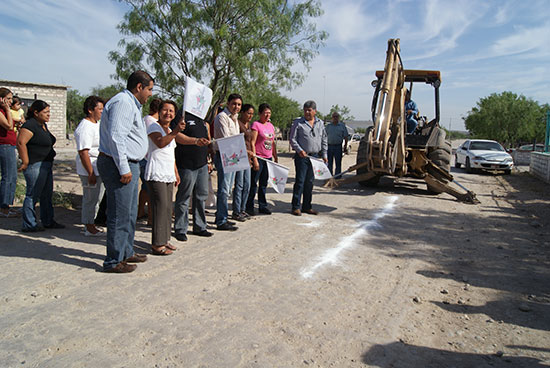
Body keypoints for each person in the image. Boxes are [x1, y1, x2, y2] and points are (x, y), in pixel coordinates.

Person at [97, 70, 154, 273]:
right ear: (139, 87)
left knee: (129, 213)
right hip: (119, 164)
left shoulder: (131, 104)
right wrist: (123, 168)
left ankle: (126, 251)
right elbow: (116, 138)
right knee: (119, 214)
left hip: (130, 164)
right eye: (149, 90)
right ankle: (113, 261)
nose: (150, 94)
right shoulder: (123, 102)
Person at [17, 100, 65, 231]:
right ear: (36, 112)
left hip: (46, 163)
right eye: (45, 112)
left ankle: (48, 220)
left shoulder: (42, 125)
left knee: (46, 195)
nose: (48, 115)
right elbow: (21, 143)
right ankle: (29, 224)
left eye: (49, 112)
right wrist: (25, 161)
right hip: (35, 165)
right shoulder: (30, 126)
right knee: (33, 194)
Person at [144, 100, 185, 255]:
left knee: (168, 208)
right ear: (159, 111)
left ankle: (165, 239)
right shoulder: (154, 126)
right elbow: (160, 143)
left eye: (171, 111)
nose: (168, 113)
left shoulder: (168, 129)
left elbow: (171, 152)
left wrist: (196, 141)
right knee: (160, 207)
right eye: (165, 110)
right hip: (156, 172)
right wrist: (174, 132)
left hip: (167, 173)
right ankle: (157, 244)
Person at [172, 109, 212, 241]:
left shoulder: (201, 117)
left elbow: (207, 138)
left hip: (202, 164)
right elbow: (176, 136)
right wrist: (195, 141)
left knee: (201, 196)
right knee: (184, 197)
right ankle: (180, 229)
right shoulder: (181, 115)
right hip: (186, 164)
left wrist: (208, 159)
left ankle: (200, 226)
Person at [289, 100, 327, 216]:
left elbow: (324, 139)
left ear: (315, 111)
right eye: (305, 110)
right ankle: (296, 207)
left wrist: (324, 155)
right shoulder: (298, 123)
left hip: (314, 157)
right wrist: (299, 150)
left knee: (309, 182)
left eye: (309, 110)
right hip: (302, 157)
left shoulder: (320, 123)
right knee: (300, 181)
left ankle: (307, 206)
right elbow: (292, 139)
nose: (307, 112)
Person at [74, 96, 105, 236]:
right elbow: (83, 152)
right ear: (90, 110)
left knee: (97, 197)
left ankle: (92, 222)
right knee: (90, 198)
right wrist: (90, 173)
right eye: (99, 109)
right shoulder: (85, 127)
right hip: (89, 168)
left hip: (98, 167)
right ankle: (88, 225)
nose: (102, 112)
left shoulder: (97, 124)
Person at [213, 93, 242, 231]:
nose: (236, 107)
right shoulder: (221, 117)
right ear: (228, 104)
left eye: (239, 105)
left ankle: (222, 215)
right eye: (234, 104)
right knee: (223, 189)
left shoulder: (235, 119)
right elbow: (227, 138)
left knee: (228, 188)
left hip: (233, 155)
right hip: (224, 155)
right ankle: (221, 220)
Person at [246, 103, 277, 216]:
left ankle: (262, 205)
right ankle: (249, 206)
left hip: (268, 158)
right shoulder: (256, 125)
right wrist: (254, 159)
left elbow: (272, 142)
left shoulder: (271, 126)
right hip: (258, 157)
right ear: (260, 114)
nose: (267, 115)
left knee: (263, 183)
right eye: (265, 113)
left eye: (269, 113)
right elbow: (252, 142)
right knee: (253, 183)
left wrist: (275, 156)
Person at [138, 98, 162, 223]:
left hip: (144, 157)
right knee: (152, 189)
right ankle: (151, 217)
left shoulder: (145, 119)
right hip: (148, 158)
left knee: (146, 188)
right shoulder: (152, 122)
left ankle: (141, 211)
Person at [232, 103, 254, 222]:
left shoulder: (248, 125)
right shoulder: (238, 124)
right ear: (243, 113)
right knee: (239, 185)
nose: (250, 116)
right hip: (240, 157)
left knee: (247, 185)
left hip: (248, 159)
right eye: (248, 113)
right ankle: (236, 211)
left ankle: (242, 209)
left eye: (252, 114)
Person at [0, 88, 18, 217]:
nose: (10, 102)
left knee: (13, 176)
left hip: (11, 145)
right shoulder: (1, 111)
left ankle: (8, 205)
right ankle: (3, 208)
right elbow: (9, 126)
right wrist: (7, 110)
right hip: (4, 146)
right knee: (7, 177)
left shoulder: (7, 111)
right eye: (9, 98)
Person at [325, 112, 348, 177]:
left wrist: (345, 146)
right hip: (329, 146)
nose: (335, 118)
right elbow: (324, 136)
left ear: (338, 118)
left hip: (338, 147)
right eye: (334, 117)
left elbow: (346, 137)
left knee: (338, 163)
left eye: (336, 116)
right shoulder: (328, 126)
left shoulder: (342, 126)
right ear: (332, 118)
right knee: (329, 163)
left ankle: (337, 177)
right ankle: (329, 177)